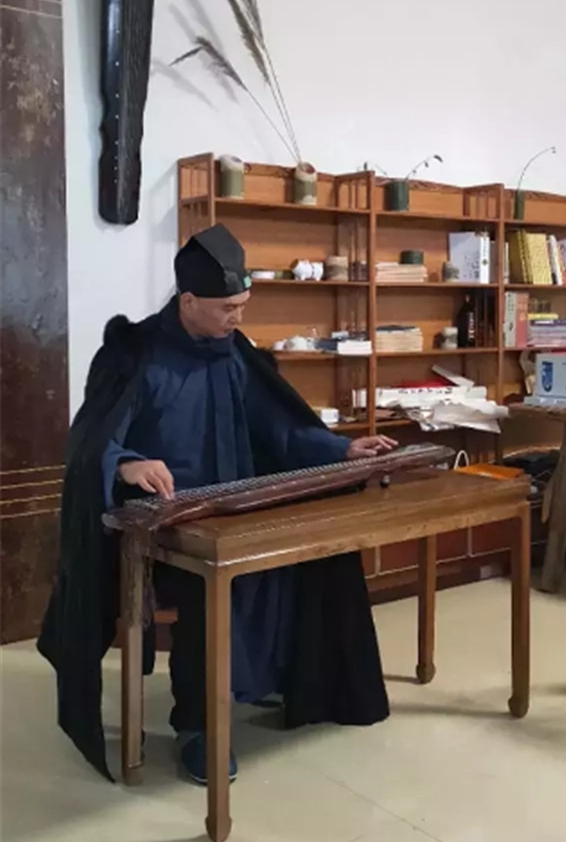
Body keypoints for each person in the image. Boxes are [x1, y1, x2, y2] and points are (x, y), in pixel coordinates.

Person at [38, 225, 394, 783]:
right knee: (209, 589)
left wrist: (340, 449)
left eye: (243, 305)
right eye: (228, 308)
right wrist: (128, 464)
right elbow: (89, 442)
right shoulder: (134, 354)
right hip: (161, 532)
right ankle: (199, 727)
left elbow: (277, 428)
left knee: (312, 554)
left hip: (236, 515)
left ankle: (291, 684)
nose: (238, 318)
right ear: (188, 301)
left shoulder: (234, 354)